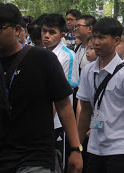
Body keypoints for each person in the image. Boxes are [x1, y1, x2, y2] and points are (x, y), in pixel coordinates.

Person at [0, 2, 82, 173]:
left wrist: (75, 149)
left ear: (17, 30)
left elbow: (64, 105)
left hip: (34, 156)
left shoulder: (43, 59)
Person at [76, 17, 124, 173]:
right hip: (94, 146)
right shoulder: (88, 71)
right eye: (94, 37)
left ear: (116, 41)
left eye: (101, 37)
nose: (96, 42)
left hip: (119, 148)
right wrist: (76, 148)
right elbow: (85, 110)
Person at [41, 13, 80, 169]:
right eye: (44, 31)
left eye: (52, 32)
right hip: (40, 120)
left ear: (62, 35)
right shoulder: (39, 53)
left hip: (57, 122)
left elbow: (62, 94)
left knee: (59, 163)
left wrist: (46, 121)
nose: (46, 36)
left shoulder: (67, 56)